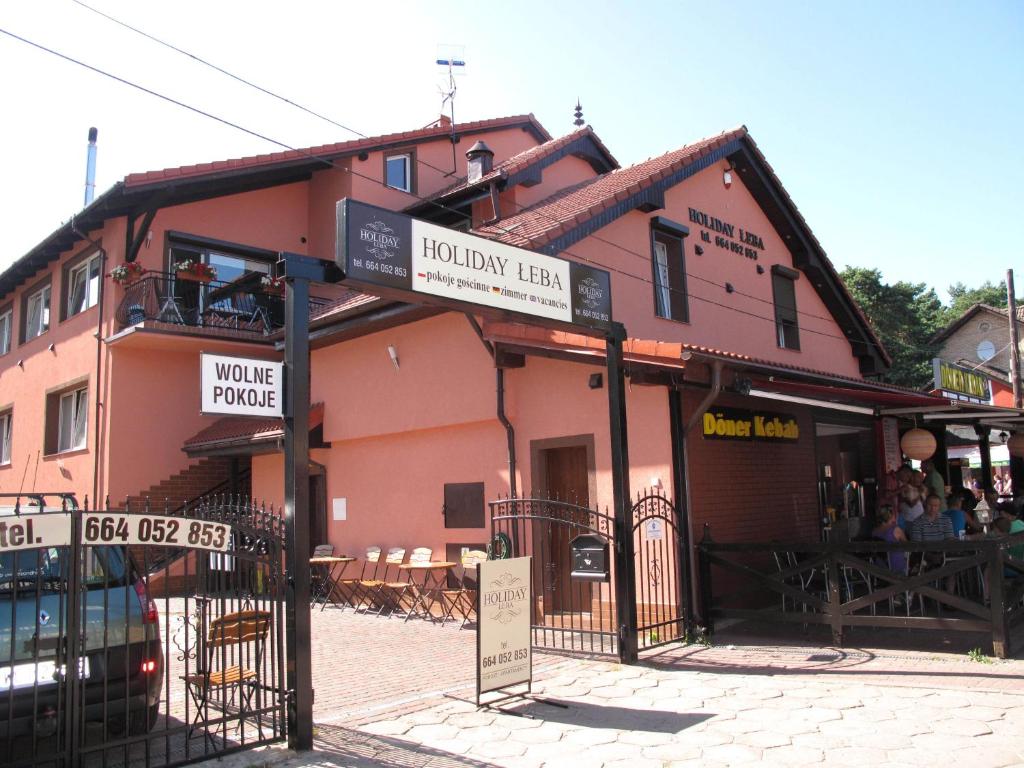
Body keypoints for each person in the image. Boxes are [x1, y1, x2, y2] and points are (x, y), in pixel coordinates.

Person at [872, 505, 908, 574]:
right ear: (891, 516)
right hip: (896, 566)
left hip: (880, 567)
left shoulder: (874, 531)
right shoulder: (896, 529)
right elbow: (907, 546)